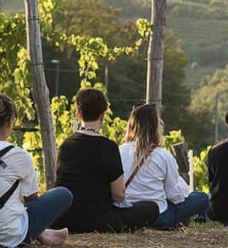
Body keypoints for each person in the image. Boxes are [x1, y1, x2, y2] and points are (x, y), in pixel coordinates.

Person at [0, 91, 72, 247]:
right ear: (10, 121)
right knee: (63, 194)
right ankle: (42, 233)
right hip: (5, 235)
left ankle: (43, 233)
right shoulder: (17, 155)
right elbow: (32, 201)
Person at [53, 89, 159, 233]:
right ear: (103, 115)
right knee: (152, 208)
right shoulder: (108, 147)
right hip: (98, 220)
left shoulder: (66, 144)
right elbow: (119, 194)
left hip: (65, 218)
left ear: (78, 114)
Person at [119, 104, 209, 230]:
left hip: (127, 215)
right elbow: (176, 196)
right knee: (204, 198)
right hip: (158, 218)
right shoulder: (163, 155)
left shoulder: (119, 151)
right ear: (156, 127)